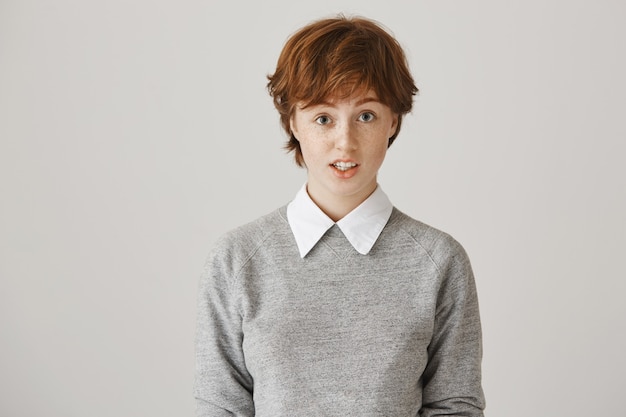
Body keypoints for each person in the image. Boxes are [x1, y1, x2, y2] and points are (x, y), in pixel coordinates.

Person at [194, 15, 485, 416]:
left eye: (366, 116)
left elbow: (455, 407)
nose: (344, 142)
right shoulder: (236, 258)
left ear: (393, 121)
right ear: (293, 122)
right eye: (323, 118)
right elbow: (220, 406)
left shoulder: (439, 260)